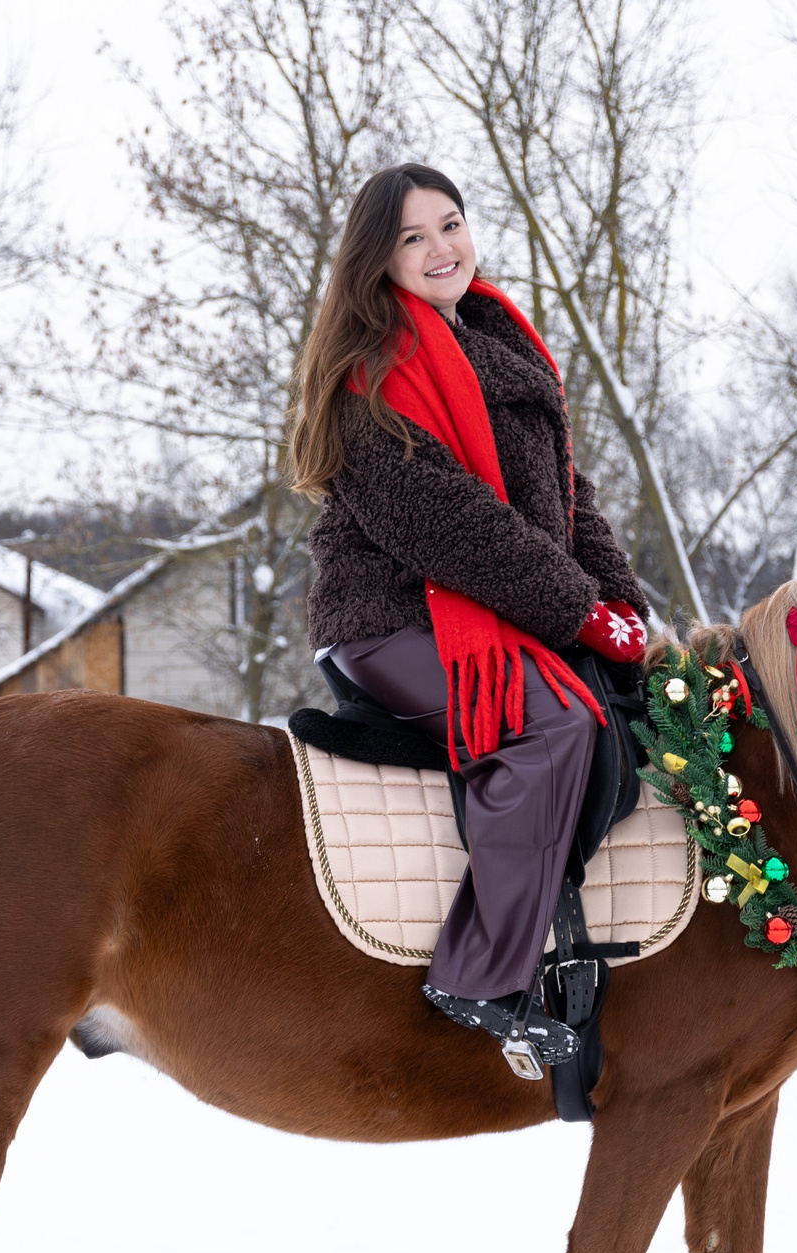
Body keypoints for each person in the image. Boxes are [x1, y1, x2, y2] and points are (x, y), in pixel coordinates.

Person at [291, 162, 651, 1073]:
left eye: (450, 224)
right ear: (380, 260)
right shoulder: (372, 376)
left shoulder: (501, 344)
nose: (441, 247)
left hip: (506, 603)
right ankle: (483, 975)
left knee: (622, 707)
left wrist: (623, 608)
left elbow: (569, 502)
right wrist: (578, 614)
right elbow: (452, 528)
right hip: (390, 616)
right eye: (413, 237)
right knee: (552, 724)